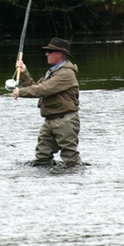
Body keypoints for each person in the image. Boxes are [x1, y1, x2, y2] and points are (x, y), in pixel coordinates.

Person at [11, 37, 82, 166]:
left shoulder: (66, 74)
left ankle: (76, 182)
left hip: (65, 121)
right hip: (50, 120)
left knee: (70, 158)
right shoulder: (53, 72)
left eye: (50, 51)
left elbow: (43, 89)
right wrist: (24, 72)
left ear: (60, 54)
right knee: (42, 157)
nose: (46, 54)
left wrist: (20, 92)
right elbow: (34, 86)